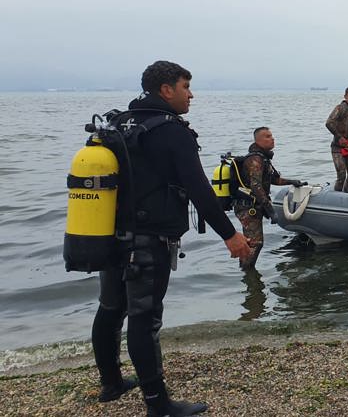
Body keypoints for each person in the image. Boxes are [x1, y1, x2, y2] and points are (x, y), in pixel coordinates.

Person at [91, 61, 252, 417]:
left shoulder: (118, 123)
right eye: (185, 86)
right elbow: (199, 189)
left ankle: (112, 383)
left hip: (110, 234)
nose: (190, 94)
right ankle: (158, 405)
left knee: (111, 309)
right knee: (144, 318)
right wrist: (230, 235)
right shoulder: (170, 130)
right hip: (149, 239)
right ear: (166, 89)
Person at [234, 126, 305, 269]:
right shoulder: (255, 159)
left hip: (253, 205)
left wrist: (292, 181)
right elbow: (256, 186)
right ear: (258, 140)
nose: (272, 138)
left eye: (272, 135)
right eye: (267, 136)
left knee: (255, 243)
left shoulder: (263, 158)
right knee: (254, 243)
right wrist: (270, 209)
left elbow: (274, 179)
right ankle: (247, 272)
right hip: (247, 207)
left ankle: (249, 275)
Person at [325, 86, 348, 192]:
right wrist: (339, 137)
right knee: (341, 175)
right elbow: (329, 123)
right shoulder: (340, 108)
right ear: (345, 96)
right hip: (337, 148)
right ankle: (336, 197)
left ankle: (347, 196)